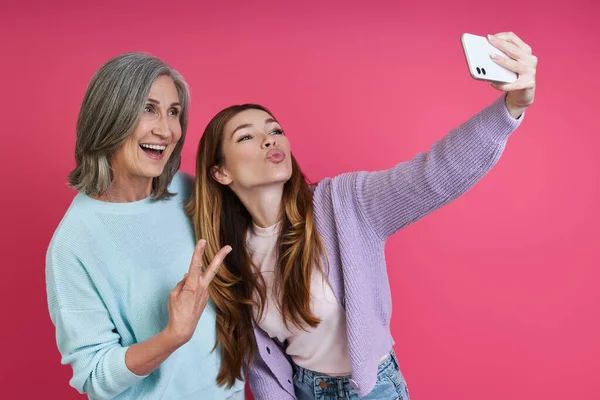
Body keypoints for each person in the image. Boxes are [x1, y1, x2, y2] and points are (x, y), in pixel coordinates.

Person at [186, 32, 537, 399]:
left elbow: (436, 174)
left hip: (371, 389)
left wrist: (511, 107)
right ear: (220, 173)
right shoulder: (228, 254)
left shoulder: (346, 204)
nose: (270, 140)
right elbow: (261, 362)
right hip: (304, 390)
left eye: (275, 130)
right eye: (246, 137)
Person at [45, 52, 245, 399]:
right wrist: (173, 335)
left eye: (173, 112)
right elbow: (94, 376)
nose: (165, 130)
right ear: (109, 117)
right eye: (148, 109)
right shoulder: (73, 242)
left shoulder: (190, 191)